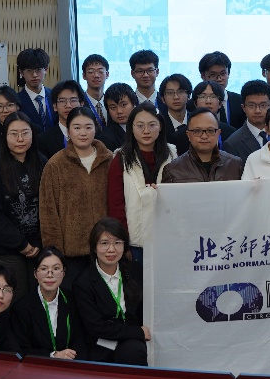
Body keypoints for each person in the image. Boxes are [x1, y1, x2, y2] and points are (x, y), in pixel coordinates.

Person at [40, 107, 112, 279]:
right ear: (68, 130)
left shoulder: (109, 160)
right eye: (77, 127)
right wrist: (54, 252)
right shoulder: (55, 165)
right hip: (71, 252)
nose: (83, 133)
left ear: (96, 128)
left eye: (88, 127)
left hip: (106, 248)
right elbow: (48, 211)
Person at [0, 112, 47, 299]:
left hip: (38, 247)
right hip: (6, 250)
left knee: (39, 299)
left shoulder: (43, 162)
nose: (20, 139)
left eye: (25, 133)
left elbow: (50, 206)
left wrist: (37, 242)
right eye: (14, 134)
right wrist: (21, 244)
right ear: (4, 136)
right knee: (12, 300)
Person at [106, 103, 177, 265]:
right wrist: (122, 242)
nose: (146, 131)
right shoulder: (121, 158)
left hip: (167, 238)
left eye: (152, 125)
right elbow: (116, 204)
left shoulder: (172, 155)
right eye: (140, 126)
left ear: (160, 127)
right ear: (131, 128)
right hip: (135, 241)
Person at [73, 218, 149, 365]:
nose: (111, 249)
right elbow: (96, 327)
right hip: (101, 342)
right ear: (94, 247)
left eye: (117, 243)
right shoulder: (83, 283)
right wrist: (137, 332)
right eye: (104, 243)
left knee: (134, 351)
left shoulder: (134, 270)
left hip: (130, 342)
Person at [9, 247, 83, 358]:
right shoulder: (21, 308)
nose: (50, 275)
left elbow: (80, 340)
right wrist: (53, 356)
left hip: (72, 363)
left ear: (63, 273)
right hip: (36, 366)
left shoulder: (73, 300)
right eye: (44, 269)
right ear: (35, 274)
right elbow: (22, 349)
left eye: (56, 268)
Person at [161, 108, 245, 183]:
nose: (204, 136)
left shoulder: (235, 165)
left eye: (210, 130)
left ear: (218, 133)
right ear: (188, 135)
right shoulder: (172, 171)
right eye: (197, 131)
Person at [223, 80, 270, 160]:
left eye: (263, 105)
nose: (257, 111)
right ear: (243, 108)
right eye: (251, 105)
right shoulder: (232, 143)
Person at [37, 79, 87, 158]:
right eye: (62, 101)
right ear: (55, 106)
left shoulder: (91, 134)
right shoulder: (44, 140)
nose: (68, 105)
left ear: (81, 104)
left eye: (73, 100)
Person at [15, 47, 56, 133]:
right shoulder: (16, 100)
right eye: (29, 70)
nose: (34, 75)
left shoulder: (55, 96)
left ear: (46, 69)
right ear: (21, 72)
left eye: (38, 70)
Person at [198, 50, 243, 127]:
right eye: (213, 75)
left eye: (223, 74)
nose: (219, 79)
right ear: (203, 76)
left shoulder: (240, 101)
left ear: (228, 74)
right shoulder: (193, 103)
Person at [157, 73, 193, 155]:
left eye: (180, 91)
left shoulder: (198, 121)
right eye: (170, 93)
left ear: (189, 96)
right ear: (163, 99)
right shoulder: (159, 125)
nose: (176, 97)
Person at [97, 82, 139, 151]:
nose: (119, 111)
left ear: (134, 104)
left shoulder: (145, 128)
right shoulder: (105, 139)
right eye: (113, 107)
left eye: (123, 105)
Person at [81, 54, 110, 129]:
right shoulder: (79, 103)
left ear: (107, 74)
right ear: (84, 76)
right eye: (91, 72)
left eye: (100, 71)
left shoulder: (112, 103)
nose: (96, 75)